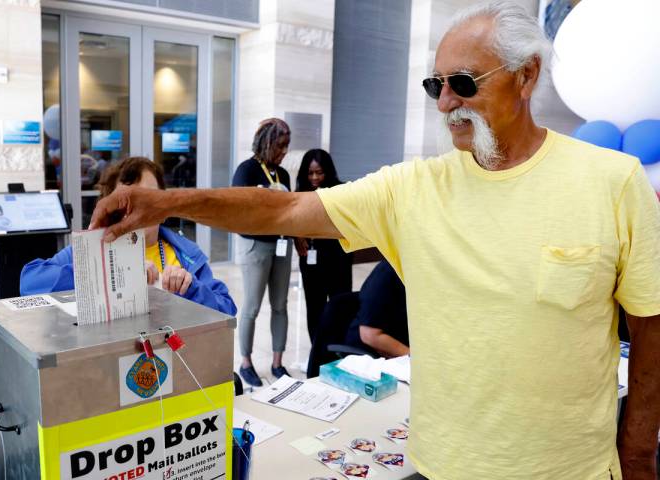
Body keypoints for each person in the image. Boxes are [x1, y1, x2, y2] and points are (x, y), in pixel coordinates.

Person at [89, 2, 660, 479]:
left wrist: (636, 453)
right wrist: (165, 203)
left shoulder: (612, 183)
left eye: (463, 84)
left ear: (527, 75)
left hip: (569, 469)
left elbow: (651, 330)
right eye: (435, 85)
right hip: (444, 466)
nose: (444, 105)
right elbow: (285, 208)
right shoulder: (414, 186)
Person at [20, 157, 236, 316]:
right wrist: (107, 272)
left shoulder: (187, 255)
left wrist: (192, 289)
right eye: (128, 201)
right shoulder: (93, 250)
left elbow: (226, 309)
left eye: (150, 198)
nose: (141, 208)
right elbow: (30, 282)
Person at [231, 118, 293, 387]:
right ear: (266, 143)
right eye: (280, 145)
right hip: (256, 245)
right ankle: (246, 363)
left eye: (287, 146)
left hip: (282, 244)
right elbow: (236, 208)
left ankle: (277, 363)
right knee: (252, 307)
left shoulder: (285, 175)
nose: (284, 151)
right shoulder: (246, 171)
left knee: (280, 305)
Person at [306, 259, 408, 378]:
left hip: (398, 354)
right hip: (369, 358)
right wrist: (412, 356)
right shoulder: (387, 273)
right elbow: (370, 335)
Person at [295, 149, 353, 343]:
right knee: (314, 308)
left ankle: (339, 347)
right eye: (310, 173)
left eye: (319, 172)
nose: (314, 177)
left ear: (328, 171)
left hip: (338, 260)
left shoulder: (341, 191)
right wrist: (296, 235)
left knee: (340, 305)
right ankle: (318, 350)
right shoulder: (299, 195)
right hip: (311, 261)